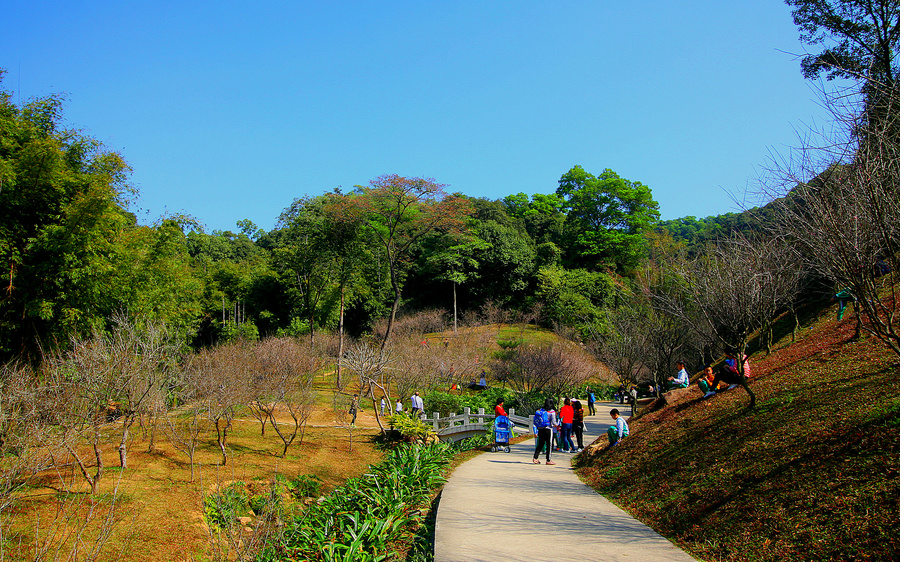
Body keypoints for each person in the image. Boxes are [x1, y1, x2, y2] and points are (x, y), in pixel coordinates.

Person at [532, 399, 557, 465]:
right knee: (549, 444)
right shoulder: (552, 412)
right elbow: (554, 422)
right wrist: (557, 424)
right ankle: (548, 460)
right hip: (548, 429)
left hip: (540, 429)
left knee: (540, 444)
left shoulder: (541, 410)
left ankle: (535, 458)